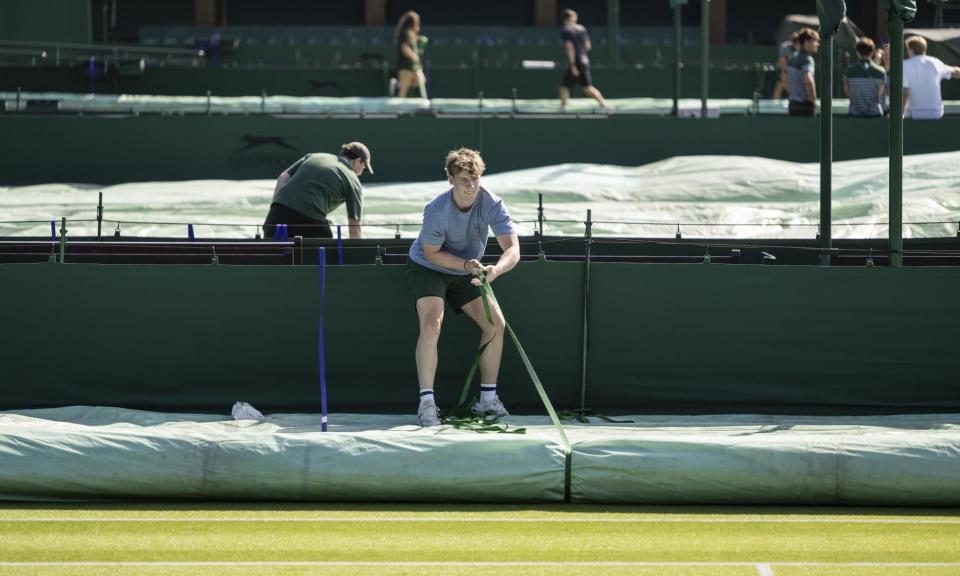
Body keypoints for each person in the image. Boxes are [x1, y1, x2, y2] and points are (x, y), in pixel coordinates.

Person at [407, 148, 520, 427]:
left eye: (475, 179)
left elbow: (513, 249)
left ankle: (487, 401)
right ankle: (427, 404)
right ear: (450, 179)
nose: (471, 187)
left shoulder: (491, 202)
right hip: (428, 266)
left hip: (468, 268)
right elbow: (432, 254)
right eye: (463, 181)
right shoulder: (437, 209)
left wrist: (496, 269)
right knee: (432, 322)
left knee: (496, 324)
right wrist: (467, 265)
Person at [263, 142, 372, 240]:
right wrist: (357, 252)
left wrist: (275, 209)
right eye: (364, 168)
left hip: (276, 214)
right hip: (308, 220)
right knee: (326, 255)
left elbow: (283, 177)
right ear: (357, 161)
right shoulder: (353, 180)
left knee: (273, 258)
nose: (361, 173)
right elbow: (354, 224)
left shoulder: (313, 156)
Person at [559, 8, 609, 112]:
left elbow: (569, 47)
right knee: (587, 87)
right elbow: (587, 46)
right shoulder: (581, 28)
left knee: (564, 86)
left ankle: (563, 108)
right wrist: (581, 54)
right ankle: (603, 104)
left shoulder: (565, 30)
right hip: (584, 61)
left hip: (576, 62)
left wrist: (572, 65)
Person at [902, 35, 960, 119]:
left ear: (911, 50)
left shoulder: (905, 65)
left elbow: (905, 92)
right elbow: (956, 72)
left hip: (915, 114)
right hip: (936, 113)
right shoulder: (935, 62)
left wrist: (901, 113)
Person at [843, 37, 886, 118]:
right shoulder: (881, 72)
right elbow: (879, 93)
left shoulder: (848, 71)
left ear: (858, 53)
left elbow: (847, 91)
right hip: (875, 116)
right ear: (872, 52)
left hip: (854, 115)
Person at [786, 28, 820, 116]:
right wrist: (813, 101)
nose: (817, 44)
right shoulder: (807, 59)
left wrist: (793, 94)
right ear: (806, 42)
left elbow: (784, 77)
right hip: (804, 107)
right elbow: (808, 80)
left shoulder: (792, 57)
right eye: (815, 41)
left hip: (792, 105)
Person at [395, 11, 427, 98]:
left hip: (412, 67)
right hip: (405, 66)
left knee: (420, 81)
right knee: (403, 89)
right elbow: (404, 48)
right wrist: (414, 57)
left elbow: (411, 42)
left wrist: (417, 39)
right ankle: (399, 109)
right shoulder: (405, 33)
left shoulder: (410, 33)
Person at [772, 32, 799, 100]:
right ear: (793, 43)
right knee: (782, 80)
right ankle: (775, 104)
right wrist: (786, 72)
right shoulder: (785, 47)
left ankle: (796, 98)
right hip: (786, 70)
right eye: (797, 42)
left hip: (797, 71)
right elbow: (782, 63)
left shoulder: (802, 48)